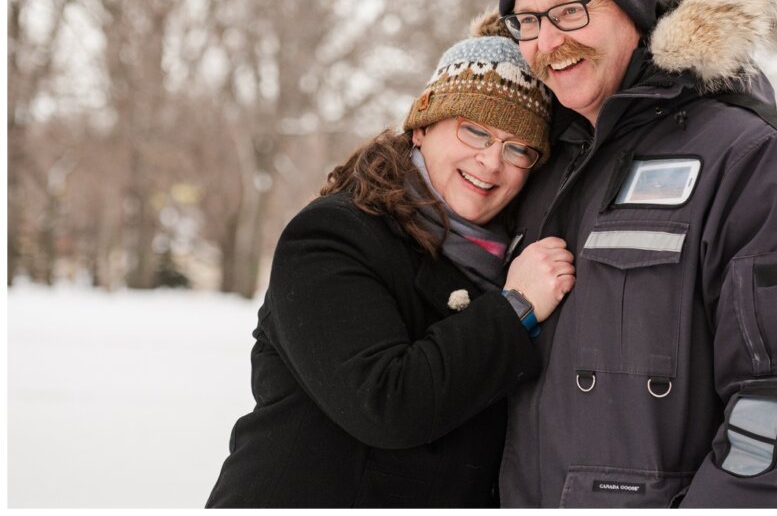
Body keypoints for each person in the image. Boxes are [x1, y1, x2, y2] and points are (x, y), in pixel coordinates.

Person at [490, 0, 777, 508]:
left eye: (570, 12)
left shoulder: (757, 159)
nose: (549, 41)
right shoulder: (540, 166)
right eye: (529, 21)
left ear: (633, 12)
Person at [206, 32, 574, 508]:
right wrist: (516, 308)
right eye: (475, 131)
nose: (491, 161)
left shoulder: (503, 260)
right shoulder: (332, 237)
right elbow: (386, 403)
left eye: (518, 148)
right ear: (422, 126)